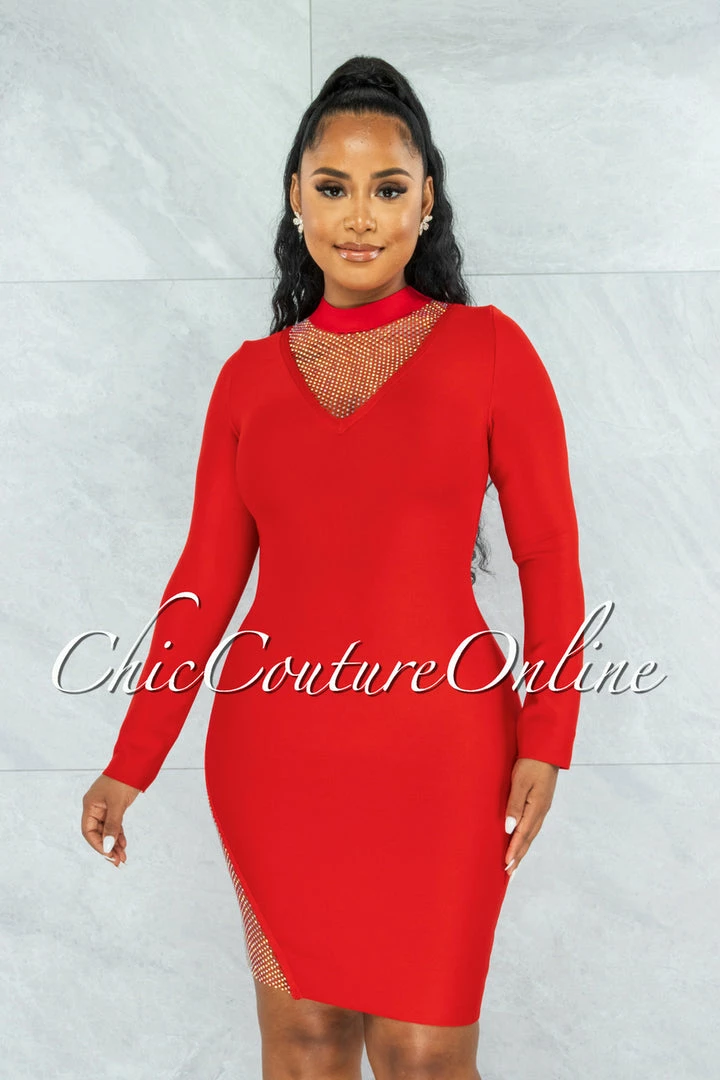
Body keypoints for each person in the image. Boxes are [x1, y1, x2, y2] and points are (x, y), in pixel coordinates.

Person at [81, 55, 585, 1080]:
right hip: (276, 759)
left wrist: (550, 735)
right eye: (334, 186)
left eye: (388, 189)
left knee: (423, 1054)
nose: (360, 217)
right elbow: (202, 583)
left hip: (445, 759)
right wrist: (131, 760)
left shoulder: (490, 350)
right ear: (296, 198)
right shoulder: (248, 381)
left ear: (427, 201)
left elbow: (549, 554)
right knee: (306, 1048)